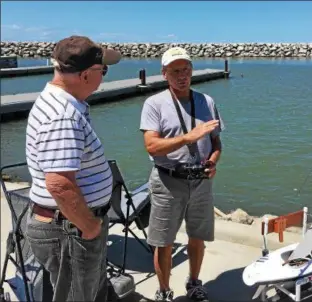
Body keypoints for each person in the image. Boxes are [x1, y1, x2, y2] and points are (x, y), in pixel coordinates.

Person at [24, 35, 121, 302]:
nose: (105, 75)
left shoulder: (62, 104)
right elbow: (59, 184)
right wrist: (89, 227)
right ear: (87, 75)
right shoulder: (62, 116)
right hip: (70, 229)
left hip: (71, 225)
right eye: (104, 70)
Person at [140, 47, 224, 301]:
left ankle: (194, 282)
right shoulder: (154, 104)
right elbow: (151, 146)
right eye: (175, 71)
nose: (182, 75)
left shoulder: (207, 101)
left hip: (200, 183)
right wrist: (188, 137)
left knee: (197, 238)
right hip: (167, 181)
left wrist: (212, 162)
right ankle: (164, 291)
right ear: (165, 73)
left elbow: (217, 143)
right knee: (163, 242)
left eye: (186, 69)